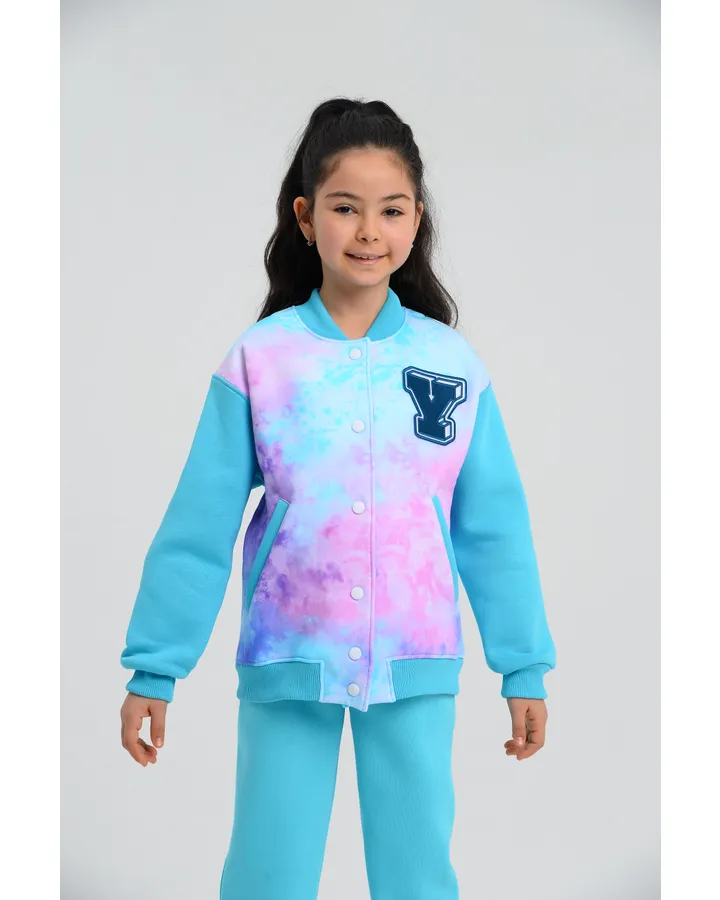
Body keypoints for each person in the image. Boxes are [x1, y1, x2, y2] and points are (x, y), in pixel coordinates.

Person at [119, 96, 557, 900]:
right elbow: (199, 524)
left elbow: (493, 528)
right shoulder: (262, 359)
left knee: (417, 875)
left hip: (415, 655)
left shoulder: (451, 364)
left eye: (391, 210)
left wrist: (523, 665)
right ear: (305, 217)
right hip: (291, 651)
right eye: (345, 207)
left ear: (416, 220)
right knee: (268, 874)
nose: (368, 231)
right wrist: (155, 667)